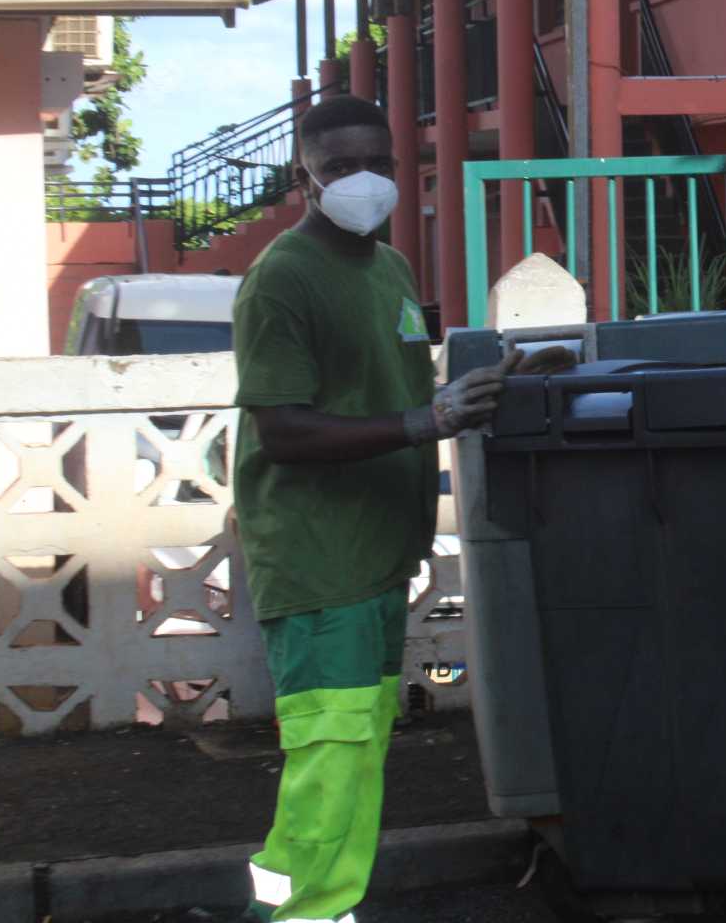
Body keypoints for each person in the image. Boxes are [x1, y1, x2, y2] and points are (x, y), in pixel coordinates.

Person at [231, 94, 516, 923]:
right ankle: (290, 915)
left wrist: (474, 392)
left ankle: (325, 910)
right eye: (341, 166)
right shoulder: (281, 279)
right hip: (319, 562)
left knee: (355, 756)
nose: (365, 180)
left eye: (378, 162)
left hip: (376, 555)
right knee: (329, 758)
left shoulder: (387, 267)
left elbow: (382, 395)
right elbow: (283, 432)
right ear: (304, 178)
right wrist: (428, 420)